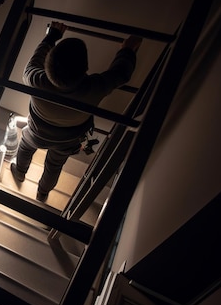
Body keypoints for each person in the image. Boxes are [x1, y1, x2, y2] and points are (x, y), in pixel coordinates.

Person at [10, 21, 142, 201]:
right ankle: (42, 193)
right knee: (54, 166)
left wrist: (52, 35)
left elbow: (36, 59)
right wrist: (127, 50)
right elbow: (121, 73)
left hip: (36, 132)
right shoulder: (95, 87)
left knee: (25, 148)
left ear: (47, 66)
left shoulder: (35, 79)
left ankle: (19, 173)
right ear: (86, 69)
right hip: (68, 140)